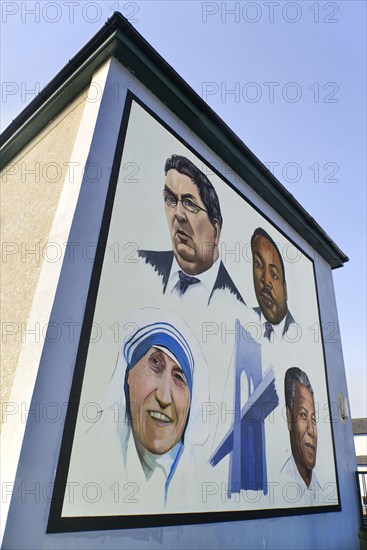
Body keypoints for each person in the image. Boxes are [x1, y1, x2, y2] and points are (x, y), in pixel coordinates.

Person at [94, 307, 209, 506]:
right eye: (155, 363)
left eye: (179, 377)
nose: (164, 397)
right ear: (128, 374)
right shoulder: (91, 463)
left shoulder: (196, 496)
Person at [138, 155, 245, 306]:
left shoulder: (238, 308)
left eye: (189, 204)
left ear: (215, 231)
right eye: (170, 199)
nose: (179, 214)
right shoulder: (141, 263)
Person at [281, 367, 319, 505]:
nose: (312, 431)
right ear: (289, 419)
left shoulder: (322, 492)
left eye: (313, 419)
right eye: (303, 415)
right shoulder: (281, 483)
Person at [251, 227, 295, 341]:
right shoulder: (243, 318)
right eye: (258, 264)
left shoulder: (296, 332)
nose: (265, 280)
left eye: (274, 275)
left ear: (285, 291)